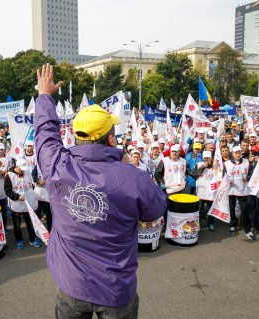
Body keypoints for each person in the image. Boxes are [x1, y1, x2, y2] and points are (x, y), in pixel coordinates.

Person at [35, 64, 166, 318]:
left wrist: (44, 96)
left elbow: (45, 135)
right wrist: (133, 171)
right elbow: (156, 209)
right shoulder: (133, 177)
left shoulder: (56, 166)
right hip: (115, 290)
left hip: (71, 286)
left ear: (76, 137)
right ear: (110, 139)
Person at [4, 158, 42, 249]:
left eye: (24, 169)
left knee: (30, 223)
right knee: (17, 224)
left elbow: (30, 185)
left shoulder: (27, 172)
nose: (23, 171)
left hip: (28, 203)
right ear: (17, 166)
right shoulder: (9, 175)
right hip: (16, 204)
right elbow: (7, 191)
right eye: (21, 168)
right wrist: (17, 196)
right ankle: (19, 240)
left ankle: (33, 239)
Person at [225, 146, 254, 239]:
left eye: (239, 153)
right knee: (232, 209)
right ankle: (233, 225)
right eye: (236, 153)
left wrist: (247, 178)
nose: (238, 154)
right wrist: (227, 180)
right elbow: (223, 176)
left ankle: (247, 229)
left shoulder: (247, 162)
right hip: (231, 190)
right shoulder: (227, 163)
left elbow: (251, 174)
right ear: (232, 154)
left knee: (245, 210)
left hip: (243, 190)